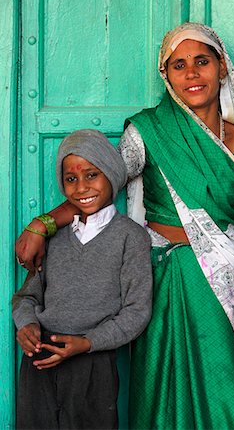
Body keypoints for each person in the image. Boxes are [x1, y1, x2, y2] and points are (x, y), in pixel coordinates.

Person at [15, 23, 234, 430]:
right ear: (167, 75)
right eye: (179, 65)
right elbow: (97, 187)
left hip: (227, 292)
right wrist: (43, 223)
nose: (192, 74)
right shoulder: (148, 132)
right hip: (162, 287)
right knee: (161, 404)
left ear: (222, 67)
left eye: (202, 62)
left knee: (226, 402)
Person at [12, 129, 152, 430]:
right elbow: (27, 298)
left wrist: (88, 343)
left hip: (92, 361)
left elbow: (136, 311)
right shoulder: (54, 237)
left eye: (92, 175)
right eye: (71, 179)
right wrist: (27, 324)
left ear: (111, 176)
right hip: (39, 358)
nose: (81, 187)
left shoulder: (131, 237)